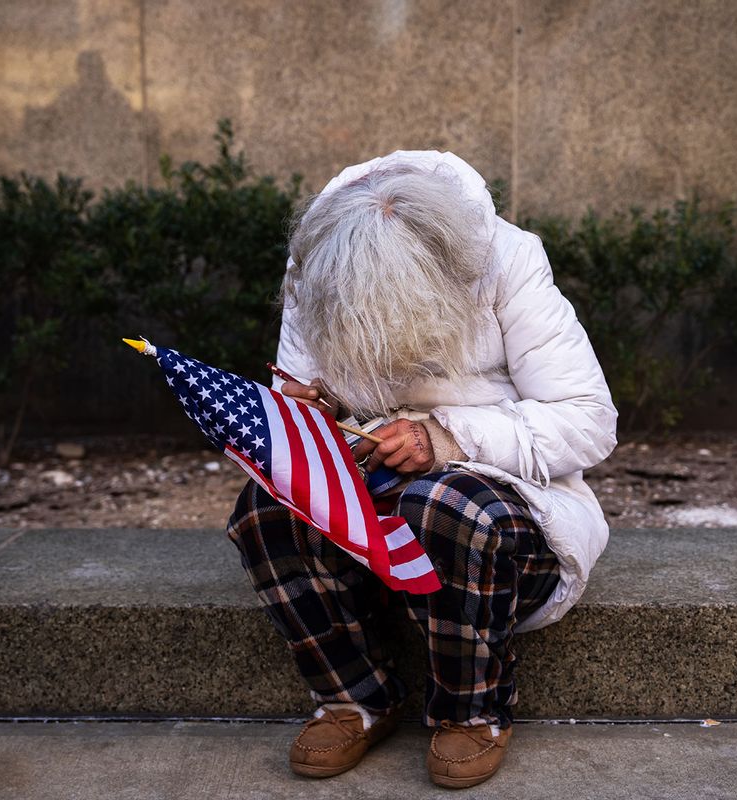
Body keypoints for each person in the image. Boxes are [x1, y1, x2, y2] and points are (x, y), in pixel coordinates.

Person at [224, 149, 618, 789]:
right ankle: (354, 698)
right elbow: (303, 397)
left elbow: (588, 420)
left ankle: (474, 713)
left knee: (440, 502)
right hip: (372, 504)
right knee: (266, 508)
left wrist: (445, 437)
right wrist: (314, 419)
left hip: (495, 501)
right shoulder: (319, 264)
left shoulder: (505, 259)